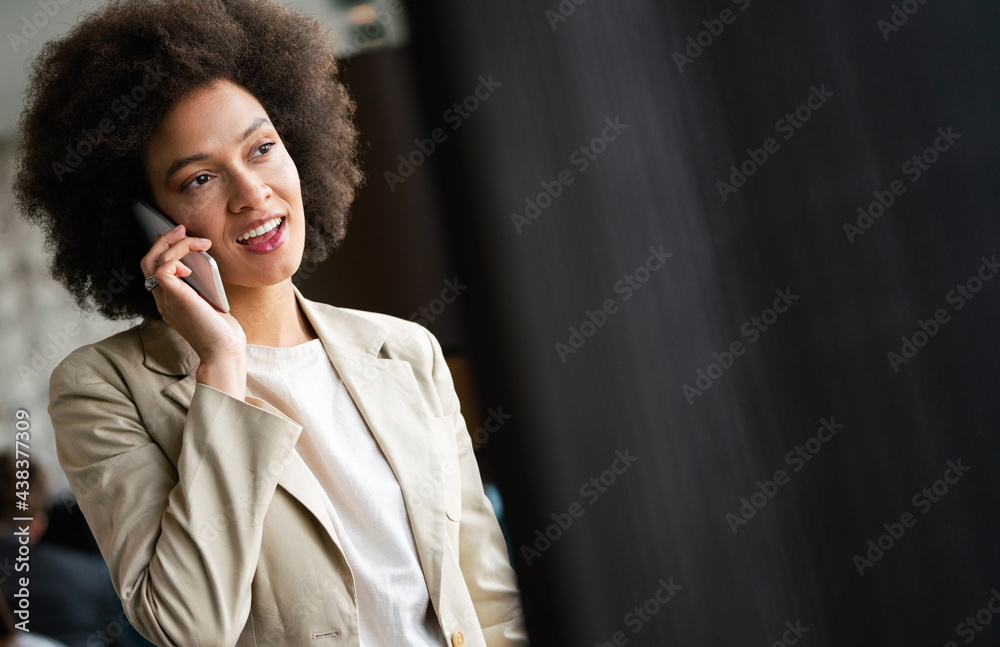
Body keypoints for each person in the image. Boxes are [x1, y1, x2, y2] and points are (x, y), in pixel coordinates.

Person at [12, 1, 528, 646]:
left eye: (261, 148)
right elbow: (189, 626)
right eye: (199, 177)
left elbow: (490, 595)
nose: (252, 192)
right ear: (140, 221)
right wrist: (222, 366)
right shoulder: (102, 387)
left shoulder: (406, 350)